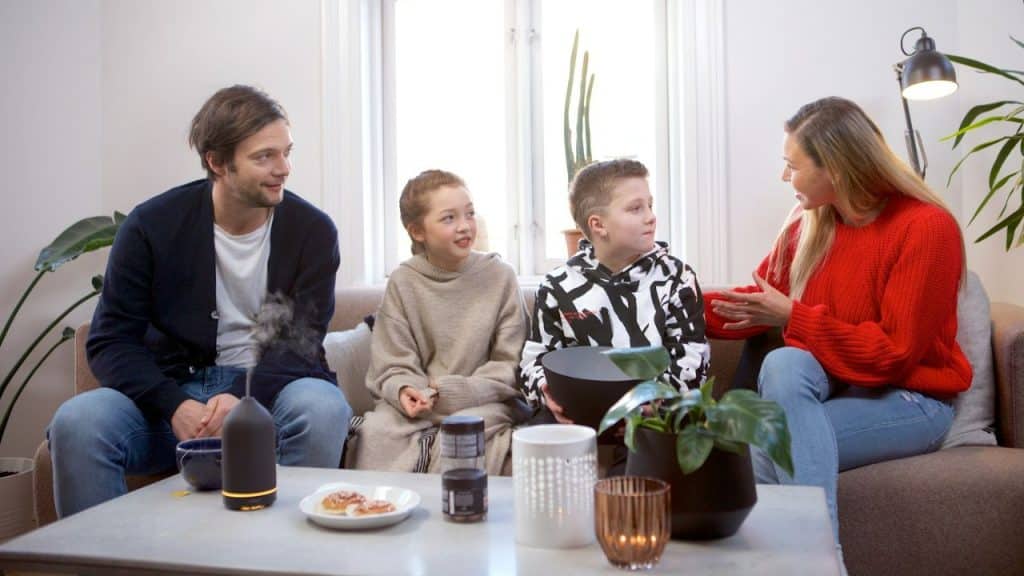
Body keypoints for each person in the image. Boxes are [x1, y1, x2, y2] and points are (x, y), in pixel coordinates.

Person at [47, 85, 352, 517]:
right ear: (217, 162)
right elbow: (111, 340)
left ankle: (283, 560)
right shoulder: (151, 225)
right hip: (169, 397)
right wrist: (174, 405)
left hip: (271, 392)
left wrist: (242, 398)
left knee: (321, 408)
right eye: (264, 156)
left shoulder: (313, 232)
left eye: (287, 152)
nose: (283, 168)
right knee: (78, 422)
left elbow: (299, 344)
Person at [704, 96, 971, 545]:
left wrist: (794, 316)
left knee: (757, 447)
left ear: (836, 168)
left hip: (912, 400)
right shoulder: (812, 223)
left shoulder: (927, 227)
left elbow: (894, 353)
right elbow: (757, 303)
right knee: (784, 364)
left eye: (792, 165)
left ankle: (813, 558)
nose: (783, 177)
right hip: (834, 389)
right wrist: (673, 297)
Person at [349, 169, 529, 474]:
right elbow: (392, 361)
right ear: (418, 231)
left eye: (469, 214)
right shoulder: (403, 281)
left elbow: (510, 362)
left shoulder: (501, 276)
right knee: (377, 432)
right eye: (449, 218)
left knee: (464, 435)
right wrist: (405, 390)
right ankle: (387, 513)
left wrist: (455, 392)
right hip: (420, 404)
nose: (464, 227)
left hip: (484, 400)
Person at [520, 158, 710, 423]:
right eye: (635, 209)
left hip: (651, 414)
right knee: (539, 431)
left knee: (648, 444)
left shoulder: (677, 278)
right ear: (598, 225)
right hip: (577, 413)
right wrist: (545, 390)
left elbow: (691, 358)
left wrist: (652, 404)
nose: (651, 217)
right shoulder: (557, 286)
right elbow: (536, 358)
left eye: (650, 205)